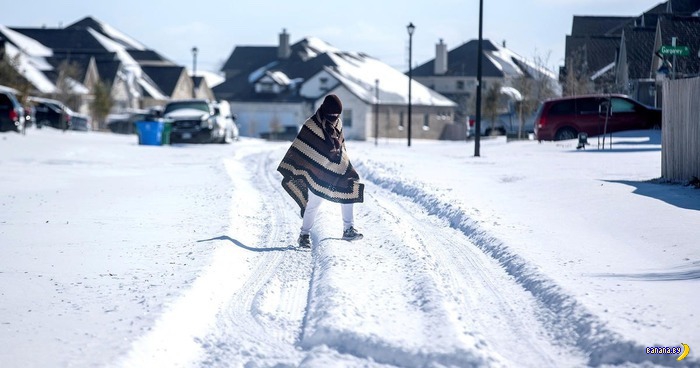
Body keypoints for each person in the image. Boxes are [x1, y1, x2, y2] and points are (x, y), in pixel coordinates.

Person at [277, 94, 364, 248]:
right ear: (325, 111)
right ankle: (304, 235)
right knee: (314, 204)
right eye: (332, 114)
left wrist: (343, 163)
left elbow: (341, 146)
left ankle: (348, 229)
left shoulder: (338, 123)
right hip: (317, 171)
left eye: (338, 114)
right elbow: (302, 147)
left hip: (337, 168)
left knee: (349, 188)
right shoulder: (311, 124)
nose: (335, 117)